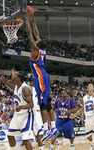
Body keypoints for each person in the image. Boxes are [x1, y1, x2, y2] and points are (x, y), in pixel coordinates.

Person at [24, 13, 59, 142]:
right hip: (46, 76)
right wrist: (34, 21)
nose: (37, 40)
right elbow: (37, 34)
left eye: (37, 41)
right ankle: (53, 128)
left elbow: (30, 35)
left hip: (40, 77)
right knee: (48, 102)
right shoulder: (43, 50)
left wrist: (27, 20)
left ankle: (45, 129)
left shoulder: (35, 50)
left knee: (42, 103)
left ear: (37, 44)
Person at [0, 69, 34, 150]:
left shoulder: (25, 89)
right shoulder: (16, 87)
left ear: (19, 79)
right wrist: (5, 81)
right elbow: (13, 87)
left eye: (15, 75)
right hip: (17, 115)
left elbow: (31, 104)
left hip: (26, 115)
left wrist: (21, 107)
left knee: (25, 140)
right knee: (10, 135)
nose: (12, 76)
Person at [70, 84, 94, 150]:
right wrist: (75, 115)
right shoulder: (84, 97)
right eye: (88, 85)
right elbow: (83, 109)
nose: (89, 86)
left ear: (93, 88)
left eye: (91, 85)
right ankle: (93, 144)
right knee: (88, 136)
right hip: (88, 117)